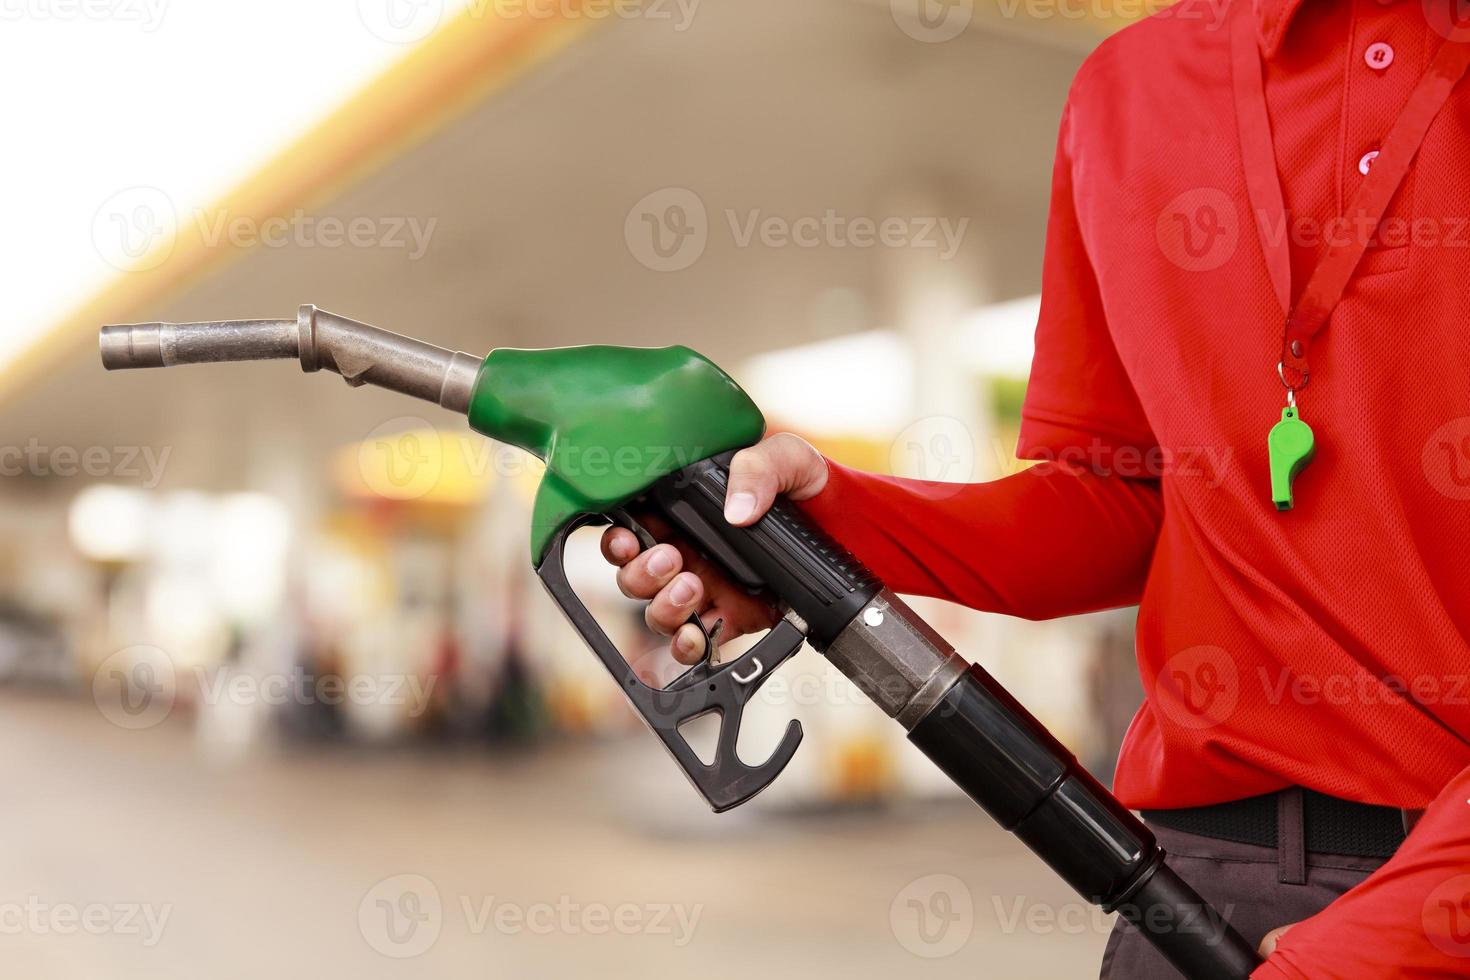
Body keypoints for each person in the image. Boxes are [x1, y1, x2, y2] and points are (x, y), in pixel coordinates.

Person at [602, 0, 1470, 975]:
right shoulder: (1128, 88)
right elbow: (1122, 498)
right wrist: (820, 529)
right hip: (1193, 891)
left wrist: (1388, 941)